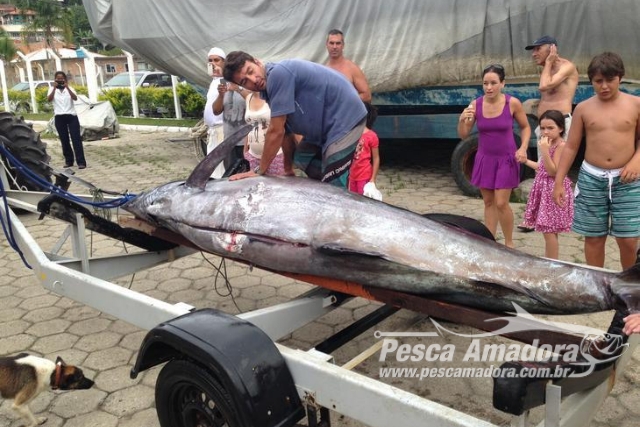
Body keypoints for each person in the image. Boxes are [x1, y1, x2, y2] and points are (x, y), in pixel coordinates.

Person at [223, 51, 367, 188]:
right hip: (325, 129)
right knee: (301, 158)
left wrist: (259, 170)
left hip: (345, 118)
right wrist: (287, 168)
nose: (253, 80)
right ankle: (330, 181)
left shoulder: (277, 74)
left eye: (250, 71)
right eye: (245, 81)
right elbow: (286, 131)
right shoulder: (268, 91)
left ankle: (338, 190)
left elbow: (276, 131)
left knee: (335, 181)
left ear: (257, 62)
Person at [553, 52, 640, 270]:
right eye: (598, 81)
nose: (604, 86)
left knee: (628, 239)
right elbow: (571, 146)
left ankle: (628, 287)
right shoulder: (583, 108)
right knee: (593, 237)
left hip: (627, 180)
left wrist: (636, 161)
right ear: (591, 80)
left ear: (620, 77)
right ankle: (597, 284)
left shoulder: (636, 104)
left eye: (610, 80)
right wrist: (559, 181)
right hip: (592, 178)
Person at [457, 64, 531, 248]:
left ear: (502, 83)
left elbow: (525, 127)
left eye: (493, 83)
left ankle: (509, 243)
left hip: (506, 159)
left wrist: (522, 148)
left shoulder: (512, 103)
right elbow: (463, 134)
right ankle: (489, 242)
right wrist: (461, 120)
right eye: (485, 83)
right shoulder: (476, 105)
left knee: (501, 203)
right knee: (488, 202)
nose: (489, 87)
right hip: (484, 159)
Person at [519, 36, 578, 232]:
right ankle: (537, 214)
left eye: (538, 49)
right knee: (543, 167)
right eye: (532, 50)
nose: (534, 54)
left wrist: (550, 63)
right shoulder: (547, 68)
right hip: (544, 124)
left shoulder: (566, 66)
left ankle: (559, 213)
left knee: (558, 168)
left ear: (552, 48)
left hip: (560, 124)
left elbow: (545, 86)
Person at [518, 110, 573, 259]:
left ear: (561, 128)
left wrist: (545, 151)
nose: (545, 132)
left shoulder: (561, 145)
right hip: (543, 189)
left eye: (550, 128)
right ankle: (550, 260)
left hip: (554, 190)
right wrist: (526, 161)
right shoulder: (548, 144)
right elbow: (542, 167)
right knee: (548, 230)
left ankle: (551, 263)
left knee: (549, 232)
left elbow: (553, 171)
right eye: (542, 128)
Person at [213, 54, 249, 174]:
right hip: (229, 142)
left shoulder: (246, 83)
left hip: (246, 142)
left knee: (247, 175)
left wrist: (237, 88)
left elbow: (254, 101)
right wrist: (221, 94)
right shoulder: (224, 85)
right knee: (229, 175)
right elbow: (216, 111)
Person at [47, 71, 86, 169]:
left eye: (62, 78)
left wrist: (67, 87)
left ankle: (81, 162)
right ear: (55, 79)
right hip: (59, 117)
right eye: (58, 78)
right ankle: (69, 161)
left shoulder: (70, 88)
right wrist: (54, 88)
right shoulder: (52, 89)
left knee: (76, 139)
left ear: (65, 79)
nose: (60, 80)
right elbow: (49, 99)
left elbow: (75, 98)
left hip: (71, 116)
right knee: (64, 140)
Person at [243, 90, 286, 175]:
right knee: (257, 186)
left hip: (275, 155)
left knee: (276, 186)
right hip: (253, 156)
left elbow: (281, 127)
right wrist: (245, 150)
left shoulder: (273, 96)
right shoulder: (248, 98)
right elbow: (249, 127)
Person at [325, 29, 372, 102]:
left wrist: (345, 101)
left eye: (338, 43)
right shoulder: (324, 70)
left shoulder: (352, 68)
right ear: (327, 45)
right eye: (331, 43)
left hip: (349, 112)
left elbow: (367, 96)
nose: (334, 47)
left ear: (343, 45)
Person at [204, 47, 226, 178]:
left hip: (222, 130)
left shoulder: (226, 79)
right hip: (213, 131)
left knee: (219, 167)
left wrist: (223, 74)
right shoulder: (213, 82)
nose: (213, 63)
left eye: (216, 60)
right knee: (211, 167)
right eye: (210, 60)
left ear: (223, 62)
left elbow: (229, 85)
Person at [349, 102, 380, 194]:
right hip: (351, 176)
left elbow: (376, 158)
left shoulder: (371, 136)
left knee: (362, 200)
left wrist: (373, 178)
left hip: (364, 175)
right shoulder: (350, 133)